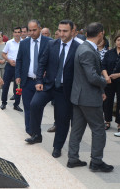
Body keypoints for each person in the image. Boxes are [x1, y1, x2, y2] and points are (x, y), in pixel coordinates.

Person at [26, 20, 80, 159]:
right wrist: (39, 81)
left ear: (73, 31)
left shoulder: (78, 48)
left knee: (62, 119)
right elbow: (42, 64)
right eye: (60, 30)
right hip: (48, 85)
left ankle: (57, 147)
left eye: (65, 31)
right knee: (34, 104)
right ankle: (36, 135)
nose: (61, 34)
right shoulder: (51, 44)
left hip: (64, 90)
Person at [67, 22, 113, 172]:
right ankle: (96, 162)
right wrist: (104, 82)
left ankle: (73, 158)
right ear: (100, 33)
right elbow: (92, 77)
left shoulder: (83, 47)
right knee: (99, 129)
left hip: (80, 96)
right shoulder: (87, 50)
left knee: (77, 129)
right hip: (88, 98)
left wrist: (101, 89)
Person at [15, 20, 52, 135]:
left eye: (34, 30)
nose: (31, 33)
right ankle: (29, 131)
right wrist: (18, 75)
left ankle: (36, 130)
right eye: (30, 30)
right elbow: (19, 60)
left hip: (42, 82)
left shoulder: (49, 42)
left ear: (40, 29)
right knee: (27, 106)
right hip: (27, 81)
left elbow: (53, 61)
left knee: (37, 106)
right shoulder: (24, 43)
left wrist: (48, 71)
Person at [0, 27, 22, 111]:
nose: (17, 34)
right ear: (13, 33)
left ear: (21, 33)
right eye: (15, 32)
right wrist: (9, 60)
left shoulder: (24, 43)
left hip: (19, 67)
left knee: (18, 86)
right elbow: (3, 54)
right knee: (5, 85)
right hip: (9, 66)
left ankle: (16, 104)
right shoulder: (9, 43)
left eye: (18, 32)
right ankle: (3, 103)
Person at [102, 33, 120, 131]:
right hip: (109, 80)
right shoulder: (109, 53)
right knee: (107, 101)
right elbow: (103, 65)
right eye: (118, 40)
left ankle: (119, 124)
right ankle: (107, 121)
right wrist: (106, 77)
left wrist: (118, 75)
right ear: (115, 41)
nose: (119, 42)